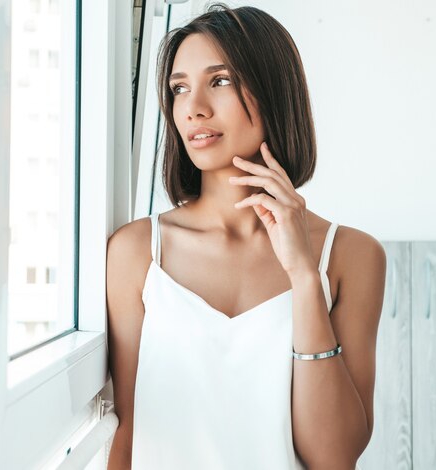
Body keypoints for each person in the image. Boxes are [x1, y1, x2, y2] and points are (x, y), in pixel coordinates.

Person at [106, 3, 386, 469]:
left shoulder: (352, 255)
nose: (193, 108)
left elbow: (334, 457)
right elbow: (127, 433)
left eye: (220, 81)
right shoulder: (137, 252)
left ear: (273, 91)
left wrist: (303, 274)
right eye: (179, 88)